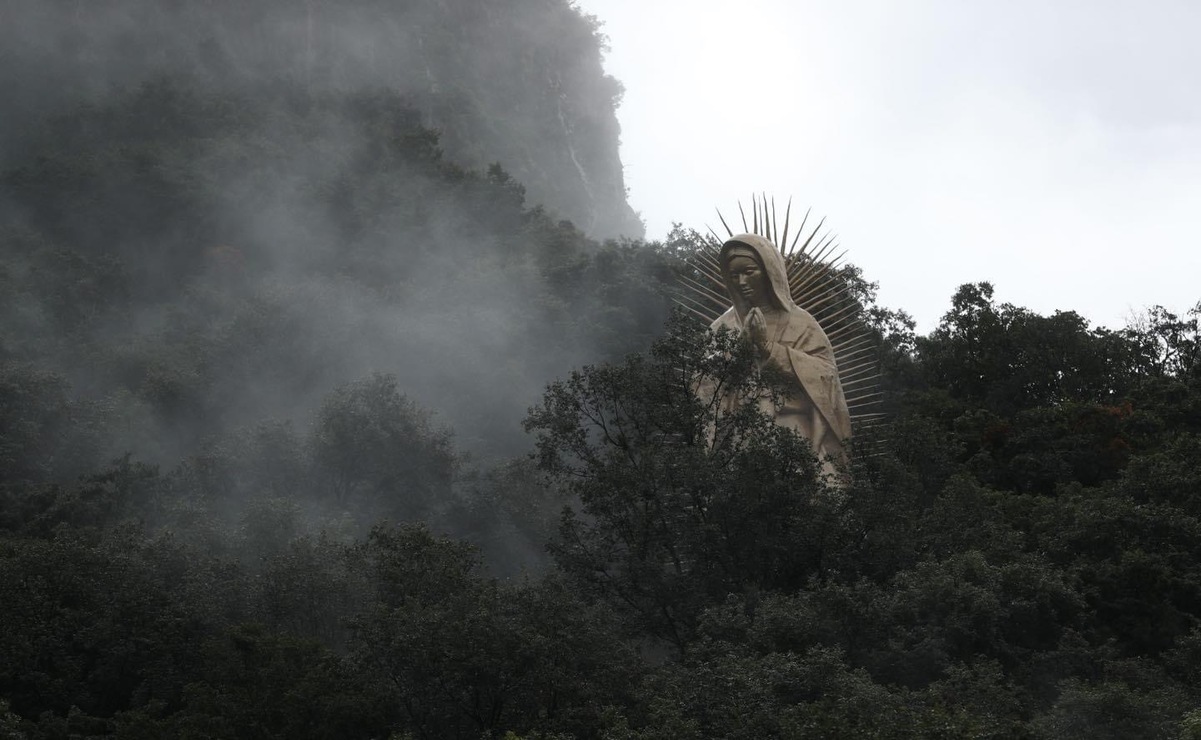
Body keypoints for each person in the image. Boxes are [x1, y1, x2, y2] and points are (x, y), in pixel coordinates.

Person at [711, 233, 852, 471]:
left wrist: (769, 349)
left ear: (769, 271)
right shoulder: (722, 328)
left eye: (749, 272)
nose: (741, 282)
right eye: (734, 276)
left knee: (825, 493)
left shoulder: (802, 322)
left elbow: (826, 376)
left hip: (795, 432)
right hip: (740, 437)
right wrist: (741, 349)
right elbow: (704, 385)